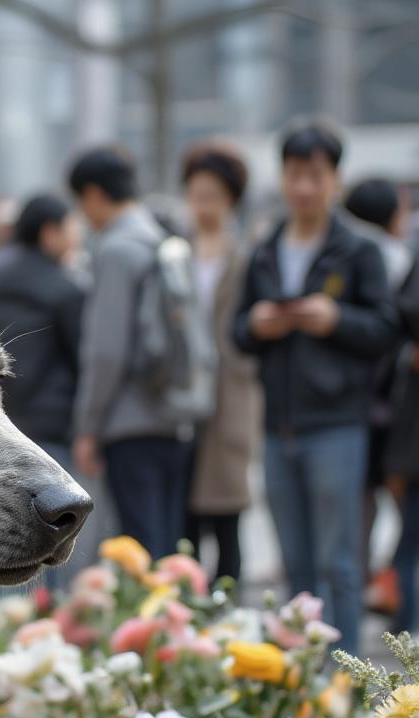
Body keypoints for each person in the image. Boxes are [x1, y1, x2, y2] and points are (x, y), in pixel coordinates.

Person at [233, 120, 399, 654]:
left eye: (316, 175)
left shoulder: (358, 249)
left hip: (338, 424)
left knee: (340, 560)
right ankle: (302, 675)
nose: (304, 186)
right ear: (282, 177)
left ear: (336, 180)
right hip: (278, 424)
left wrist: (335, 319)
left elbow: (386, 330)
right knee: (294, 562)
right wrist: (258, 324)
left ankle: (349, 673)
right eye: (295, 174)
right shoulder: (266, 247)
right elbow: (238, 332)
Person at [67, 145, 195, 559]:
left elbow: (106, 352)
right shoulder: (163, 242)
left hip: (129, 421)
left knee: (140, 551)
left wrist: (88, 427)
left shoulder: (117, 249)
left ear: (92, 195)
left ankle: (154, 624)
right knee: (169, 545)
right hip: (174, 415)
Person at [0, 194, 86, 583]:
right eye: (72, 227)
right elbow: (82, 360)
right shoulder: (65, 287)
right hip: (51, 425)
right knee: (51, 527)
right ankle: (48, 614)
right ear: (50, 231)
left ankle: (8, 624)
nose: (76, 238)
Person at [181, 141, 261, 585]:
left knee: (228, 515)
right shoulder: (177, 252)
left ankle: (229, 607)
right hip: (186, 397)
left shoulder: (247, 256)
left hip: (232, 396)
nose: (202, 205)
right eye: (196, 195)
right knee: (185, 520)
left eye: (212, 195)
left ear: (231, 199)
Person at [344, 178, 419, 634]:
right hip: (392, 418)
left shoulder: (378, 255)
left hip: (374, 415)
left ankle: (393, 609)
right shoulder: (392, 255)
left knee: (381, 528)